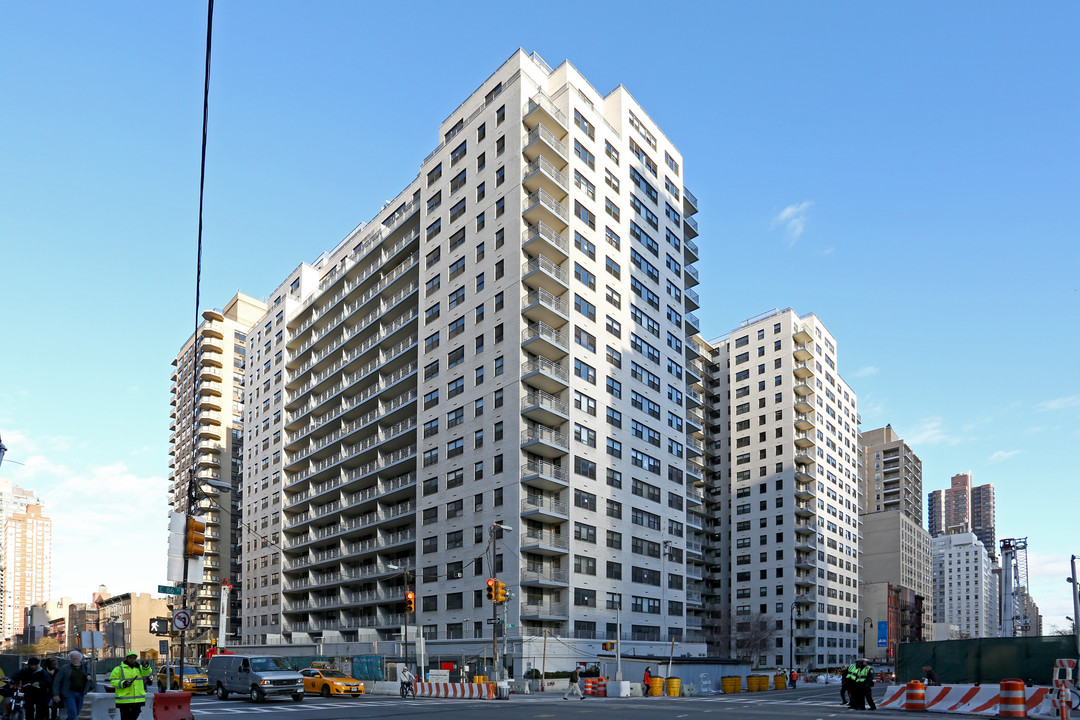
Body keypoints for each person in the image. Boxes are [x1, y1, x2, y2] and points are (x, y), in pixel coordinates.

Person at [108, 651, 152, 720]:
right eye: (130, 658)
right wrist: (124, 683)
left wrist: (145, 665)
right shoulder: (119, 669)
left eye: (134, 658)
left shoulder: (139, 668)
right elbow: (113, 681)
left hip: (138, 699)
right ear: (126, 658)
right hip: (124, 700)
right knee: (125, 717)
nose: (132, 659)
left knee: (134, 716)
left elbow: (147, 672)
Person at [54, 650, 94, 719]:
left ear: (80, 659)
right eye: (73, 659)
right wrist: (55, 694)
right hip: (69, 692)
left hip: (81, 692)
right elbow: (57, 681)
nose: (75, 660)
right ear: (70, 659)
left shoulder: (85, 667)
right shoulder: (65, 668)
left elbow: (90, 676)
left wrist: (89, 677)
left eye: (76, 659)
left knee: (77, 712)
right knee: (72, 711)